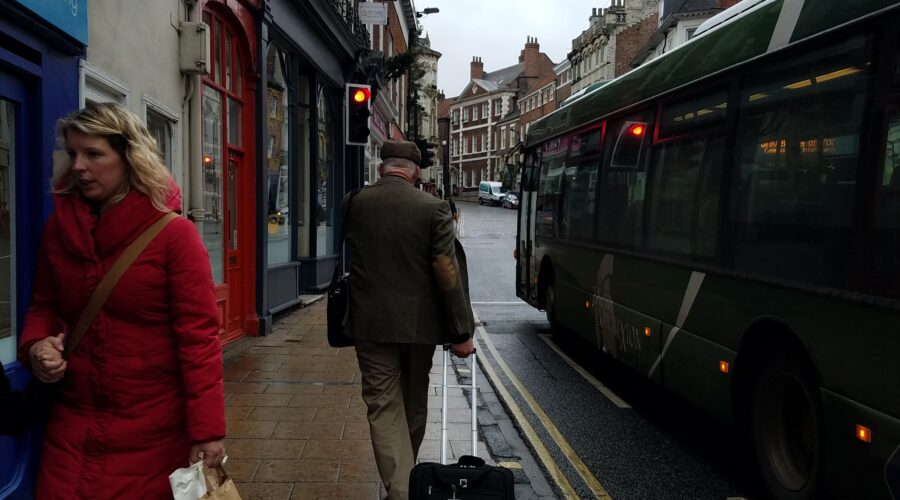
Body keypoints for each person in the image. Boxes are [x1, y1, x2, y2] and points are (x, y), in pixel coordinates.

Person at [18, 102, 226, 498]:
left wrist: (208, 432)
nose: (79, 165)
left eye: (94, 153)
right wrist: (36, 346)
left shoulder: (173, 237)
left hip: (153, 435)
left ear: (129, 157)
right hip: (71, 427)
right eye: (73, 153)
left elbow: (198, 341)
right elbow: (43, 305)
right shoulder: (58, 230)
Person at [343, 140, 475, 499]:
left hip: (369, 324)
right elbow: (447, 273)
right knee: (414, 402)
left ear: (382, 167)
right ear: (415, 172)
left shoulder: (354, 203)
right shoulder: (433, 209)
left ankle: (402, 486)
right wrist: (461, 331)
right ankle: (405, 489)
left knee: (383, 406)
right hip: (421, 327)